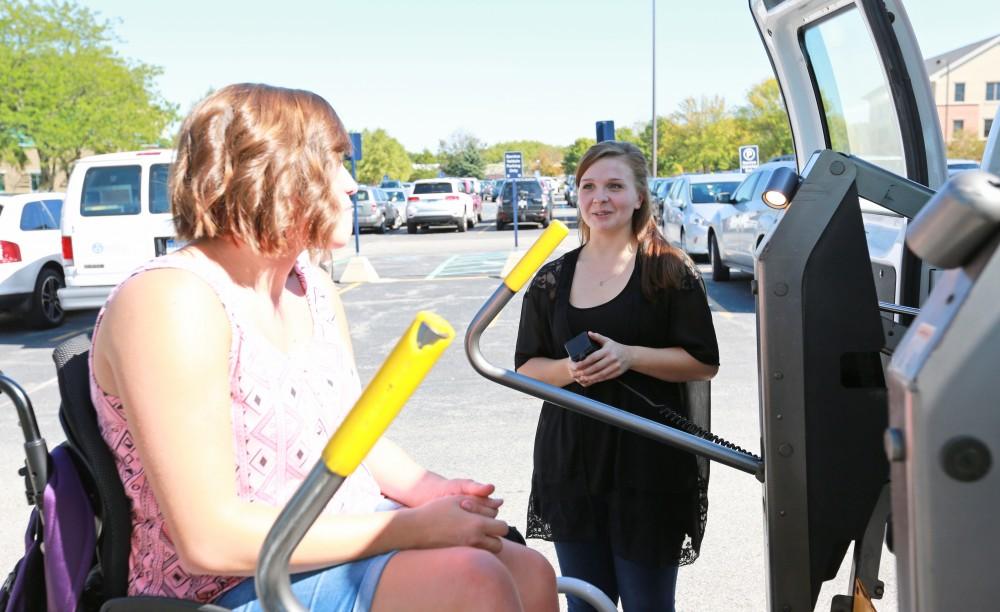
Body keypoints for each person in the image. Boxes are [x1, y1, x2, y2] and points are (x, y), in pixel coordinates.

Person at [89, 83, 558, 612]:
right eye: (334, 163)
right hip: (229, 584)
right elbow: (208, 539)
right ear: (275, 170)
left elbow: (348, 433)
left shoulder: (309, 287)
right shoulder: (171, 300)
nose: (352, 185)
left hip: (339, 534)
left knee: (530, 569)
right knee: (470, 578)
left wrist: (432, 491)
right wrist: (412, 528)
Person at [515, 141, 720, 611]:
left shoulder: (668, 271)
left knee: (649, 604)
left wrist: (630, 357)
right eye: (588, 186)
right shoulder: (552, 280)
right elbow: (527, 367)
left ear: (638, 197)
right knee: (586, 603)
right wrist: (570, 369)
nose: (599, 198)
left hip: (648, 462)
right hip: (572, 462)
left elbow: (703, 361)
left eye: (614, 186)